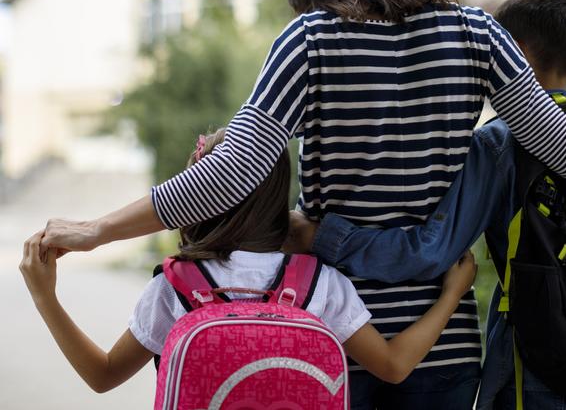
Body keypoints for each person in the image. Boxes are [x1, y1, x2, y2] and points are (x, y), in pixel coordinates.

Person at [34, 0, 566, 407]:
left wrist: (98, 229)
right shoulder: (478, 34)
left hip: (329, 334)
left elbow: (232, 173)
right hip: (444, 341)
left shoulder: (310, 40)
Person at [284, 0, 566, 410]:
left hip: (539, 365)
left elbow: (430, 250)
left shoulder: (502, 144)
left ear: (513, 51)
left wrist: (320, 237)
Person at [20, 129, 478, 396]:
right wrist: (451, 296)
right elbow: (394, 366)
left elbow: (102, 377)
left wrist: (45, 296)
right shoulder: (319, 283)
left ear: (196, 198)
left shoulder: (175, 287)